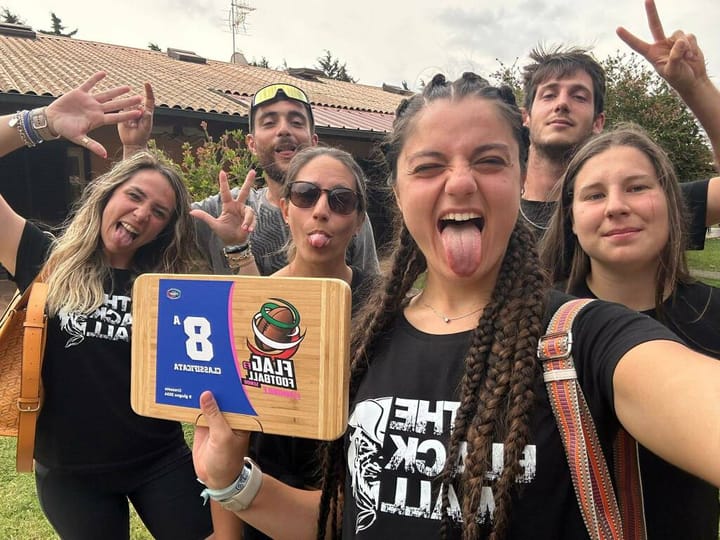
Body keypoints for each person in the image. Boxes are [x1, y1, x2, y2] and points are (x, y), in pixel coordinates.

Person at [191, 72, 720, 539]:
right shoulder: (363, 343)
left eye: (490, 161)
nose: (461, 182)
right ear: (396, 193)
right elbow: (348, 518)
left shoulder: (587, 339)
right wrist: (232, 481)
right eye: (428, 167)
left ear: (519, 181)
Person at [0, 72, 216, 539]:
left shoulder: (169, 285)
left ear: (164, 229)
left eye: (158, 213)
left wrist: (238, 252)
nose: (142, 214)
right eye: (133, 197)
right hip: (69, 472)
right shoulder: (43, 258)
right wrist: (42, 122)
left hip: (159, 459)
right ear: (106, 195)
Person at [540, 123, 720, 539]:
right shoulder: (538, 323)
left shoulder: (714, 315)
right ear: (570, 218)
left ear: (675, 204)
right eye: (594, 195)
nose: (616, 207)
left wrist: (695, 88)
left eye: (637, 188)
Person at [232, 146, 372, 540]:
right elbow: (231, 427)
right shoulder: (251, 303)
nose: (321, 209)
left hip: (355, 497)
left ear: (359, 220)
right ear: (284, 208)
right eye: (306, 195)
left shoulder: (383, 306)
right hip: (263, 492)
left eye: (341, 200)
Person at [519, 0, 720, 244]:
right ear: (525, 116)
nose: (561, 104)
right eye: (549, 95)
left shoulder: (640, 210)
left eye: (579, 96)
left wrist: (697, 87)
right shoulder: (491, 208)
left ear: (598, 122)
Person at [174, 82, 379, 277]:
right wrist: (140, 150)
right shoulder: (221, 209)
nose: (284, 130)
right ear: (251, 144)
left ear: (314, 142)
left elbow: (372, 294)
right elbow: (153, 219)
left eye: (297, 122)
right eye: (269, 123)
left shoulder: (341, 207)